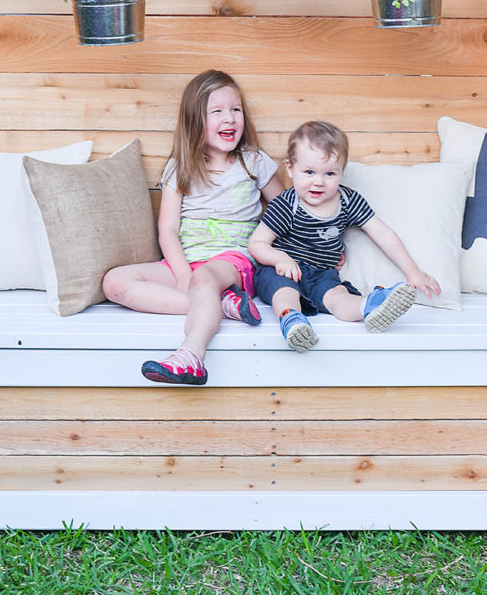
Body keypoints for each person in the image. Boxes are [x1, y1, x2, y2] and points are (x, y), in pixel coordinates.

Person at [102, 69, 282, 386]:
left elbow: (286, 212)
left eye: (235, 109)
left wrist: (316, 248)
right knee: (114, 283)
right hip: (188, 263)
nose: (230, 118)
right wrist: (183, 275)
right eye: (217, 111)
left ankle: (191, 355)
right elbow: (168, 230)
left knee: (204, 278)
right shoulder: (180, 167)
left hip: (233, 262)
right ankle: (223, 306)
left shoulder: (253, 162)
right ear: (195, 120)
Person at [248, 120, 441, 353]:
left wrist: (412, 270)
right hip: (281, 270)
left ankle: (370, 306)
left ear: (342, 171)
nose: (318, 181)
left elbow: (382, 233)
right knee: (285, 292)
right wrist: (280, 259)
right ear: (290, 168)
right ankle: (292, 321)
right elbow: (257, 243)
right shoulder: (287, 204)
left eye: (329, 173)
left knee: (338, 297)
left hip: (322, 274)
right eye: (309, 172)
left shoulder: (349, 201)